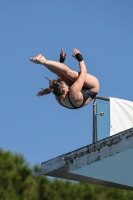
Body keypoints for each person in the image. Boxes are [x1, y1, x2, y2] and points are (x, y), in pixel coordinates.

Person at [30, 48, 100, 109]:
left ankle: (43, 61)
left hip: (78, 93)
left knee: (62, 75)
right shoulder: (73, 92)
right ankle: (43, 61)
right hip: (92, 88)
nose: (67, 86)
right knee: (69, 73)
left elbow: (60, 77)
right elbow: (83, 73)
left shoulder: (58, 96)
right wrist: (79, 57)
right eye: (65, 86)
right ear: (63, 89)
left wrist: (61, 61)